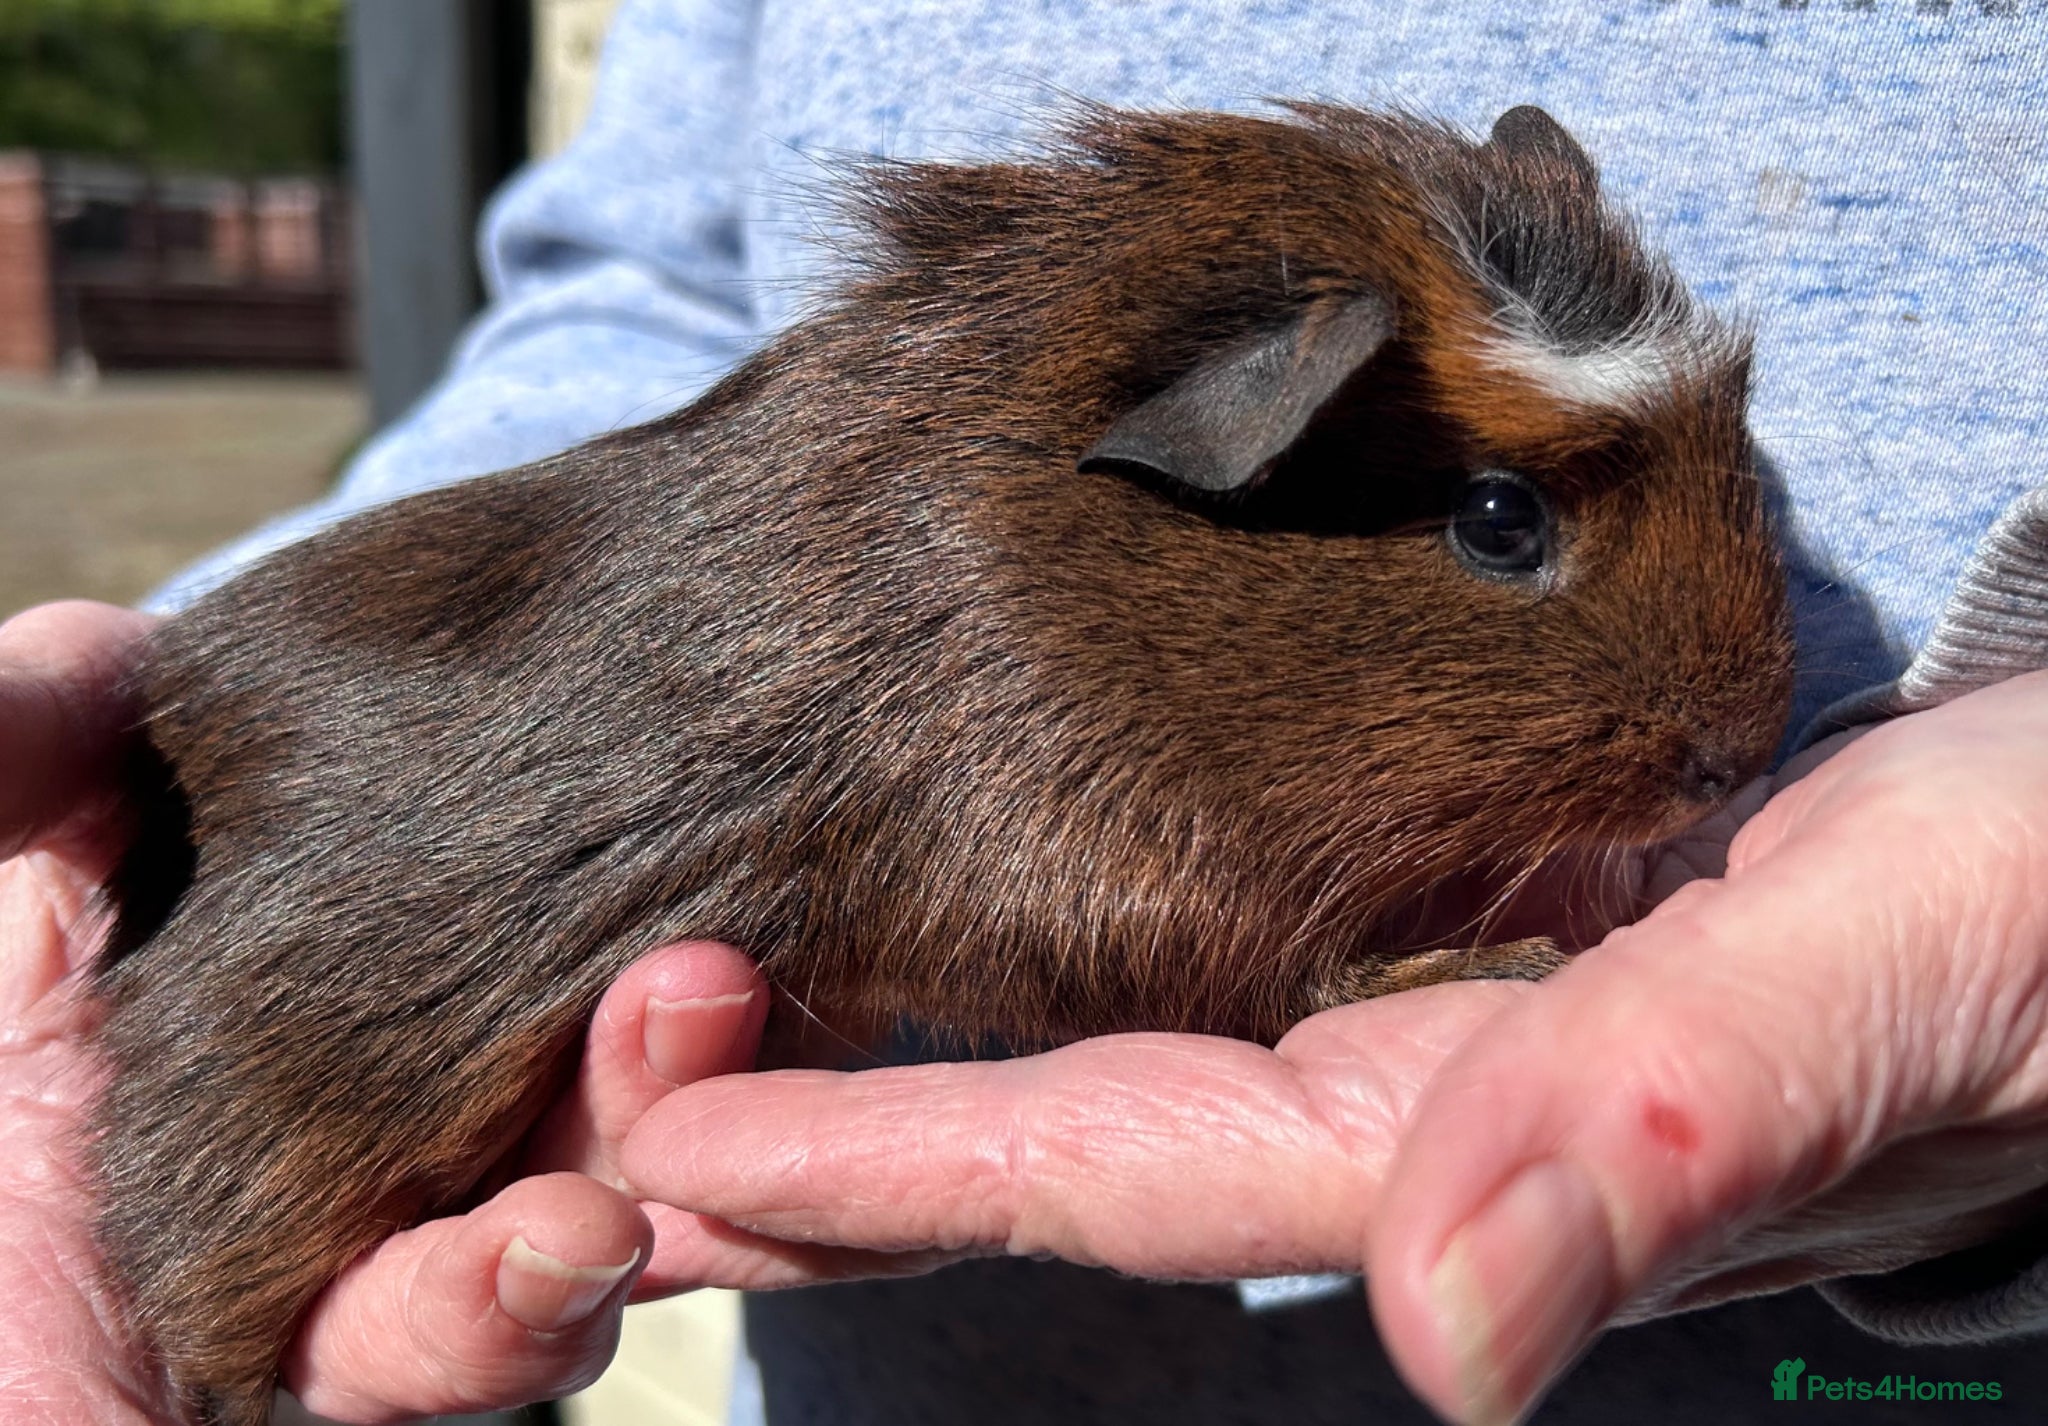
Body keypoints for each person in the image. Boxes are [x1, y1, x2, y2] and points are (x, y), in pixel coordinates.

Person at [10, 1, 2048, 1421]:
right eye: (1505, 522)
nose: (1731, 698)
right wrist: (113, 731)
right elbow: (644, 296)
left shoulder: (1025, 596)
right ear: (1214, 452)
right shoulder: (1007, 651)